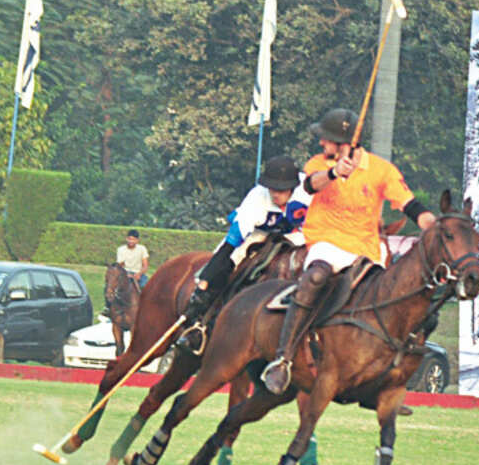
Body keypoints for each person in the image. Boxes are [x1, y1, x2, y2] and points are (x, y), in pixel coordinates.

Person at [260, 108, 436, 395]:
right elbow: (309, 184)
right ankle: (283, 358)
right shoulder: (319, 162)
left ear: (343, 142)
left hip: (364, 249)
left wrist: (431, 223)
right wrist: (334, 172)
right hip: (326, 243)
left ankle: (391, 371)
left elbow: (408, 203)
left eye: (326, 139)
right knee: (314, 279)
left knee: (396, 297)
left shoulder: (382, 170)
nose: (321, 143)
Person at [179, 154, 311, 344]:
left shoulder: (308, 189)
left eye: (281, 190)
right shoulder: (257, 199)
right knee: (235, 256)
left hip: (298, 233)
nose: (275, 194)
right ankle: (201, 320)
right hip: (260, 232)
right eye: (272, 188)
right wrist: (205, 282)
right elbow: (231, 243)